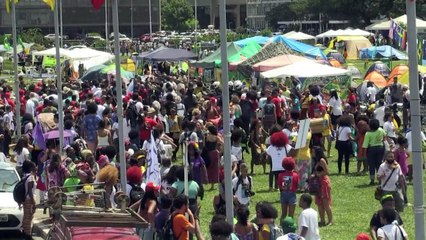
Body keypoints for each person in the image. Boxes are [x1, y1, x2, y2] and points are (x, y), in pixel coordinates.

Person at [311, 146, 332, 226]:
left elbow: (327, 172)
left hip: (324, 182)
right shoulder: (315, 161)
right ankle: (322, 220)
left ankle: (330, 221)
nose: (312, 153)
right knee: (319, 203)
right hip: (318, 183)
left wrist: (317, 174)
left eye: (313, 151)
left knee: (325, 203)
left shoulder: (322, 160)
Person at [362, 119, 386, 185]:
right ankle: (380, 180)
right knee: (379, 164)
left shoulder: (368, 133)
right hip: (380, 148)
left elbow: (365, 145)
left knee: (371, 164)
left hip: (371, 149)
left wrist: (364, 154)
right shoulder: (380, 130)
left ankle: (372, 179)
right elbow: (385, 136)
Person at [21, 160, 37, 240]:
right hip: (29, 200)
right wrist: (33, 202)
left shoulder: (25, 176)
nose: (36, 168)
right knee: (28, 218)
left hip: (25, 200)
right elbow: (30, 191)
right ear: (31, 168)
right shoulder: (30, 177)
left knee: (27, 217)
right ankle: (28, 236)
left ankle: (26, 233)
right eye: (34, 166)